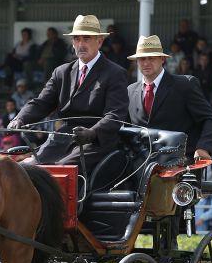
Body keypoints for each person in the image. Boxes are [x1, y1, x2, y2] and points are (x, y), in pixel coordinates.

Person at [9, 15, 129, 171]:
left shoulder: (114, 73)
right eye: (77, 39)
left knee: (61, 169)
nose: (81, 44)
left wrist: (92, 133)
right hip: (64, 135)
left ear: (99, 41)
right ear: (72, 43)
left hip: (97, 141)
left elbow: (114, 116)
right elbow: (42, 102)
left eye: (87, 39)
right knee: (31, 166)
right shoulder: (62, 72)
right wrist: (20, 118)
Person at [125, 34, 212, 162]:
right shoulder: (130, 91)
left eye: (151, 58)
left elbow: (210, 119)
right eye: (141, 59)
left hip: (179, 164)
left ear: (162, 59)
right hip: (140, 166)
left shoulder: (185, 84)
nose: (146, 63)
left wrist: (204, 147)